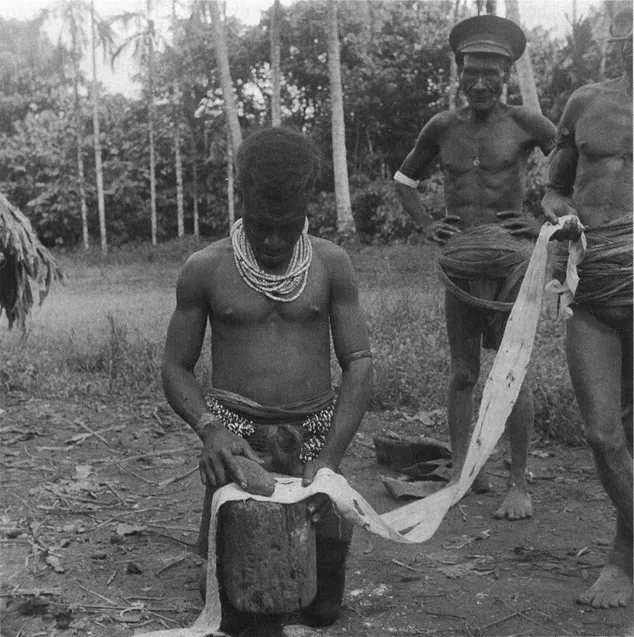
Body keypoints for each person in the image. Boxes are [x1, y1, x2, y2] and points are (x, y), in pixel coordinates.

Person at [161, 127, 373, 633]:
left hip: (316, 431)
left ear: (308, 204)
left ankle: (312, 534)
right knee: (240, 614)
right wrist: (211, 430)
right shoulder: (205, 268)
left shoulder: (330, 263)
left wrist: (330, 461)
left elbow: (359, 362)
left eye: (288, 226)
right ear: (241, 199)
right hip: (237, 436)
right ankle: (220, 536)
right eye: (260, 226)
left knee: (322, 610)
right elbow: (174, 367)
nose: (275, 240)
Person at [394, 15, 556, 520]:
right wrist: (426, 225)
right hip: (462, 262)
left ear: (507, 75)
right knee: (464, 373)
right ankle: (465, 470)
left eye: (493, 74)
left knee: (512, 371)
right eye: (472, 73)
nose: (481, 83)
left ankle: (518, 482)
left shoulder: (526, 124)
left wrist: (538, 219)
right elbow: (404, 179)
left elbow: (571, 170)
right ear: (459, 72)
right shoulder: (443, 127)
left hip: (510, 262)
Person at [540, 7, 632, 609]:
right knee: (603, 433)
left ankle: (625, 557)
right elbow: (554, 186)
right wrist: (559, 217)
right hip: (595, 286)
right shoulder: (585, 103)